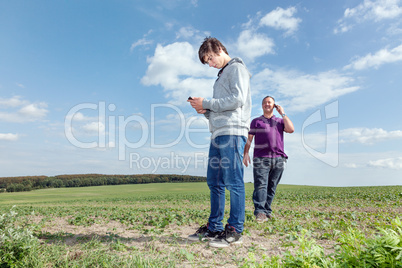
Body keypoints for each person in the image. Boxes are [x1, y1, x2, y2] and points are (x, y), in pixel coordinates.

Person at [187, 37, 251, 248]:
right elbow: (221, 108)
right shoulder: (221, 76)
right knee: (214, 182)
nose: (211, 64)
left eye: (211, 58)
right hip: (218, 133)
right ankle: (214, 226)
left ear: (220, 49)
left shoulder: (237, 68)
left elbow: (237, 99)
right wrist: (206, 111)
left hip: (232, 132)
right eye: (207, 62)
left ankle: (234, 229)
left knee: (233, 181)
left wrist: (207, 102)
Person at [243, 96, 294, 223]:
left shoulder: (280, 121)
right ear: (262, 106)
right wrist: (245, 153)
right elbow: (249, 139)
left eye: (270, 102)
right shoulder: (256, 121)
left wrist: (282, 113)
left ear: (274, 105)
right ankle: (260, 212)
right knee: (261, 185)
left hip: (278, 158)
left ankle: (267, 211)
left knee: (272, 187)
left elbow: (291, 129)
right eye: (265, 103)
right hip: (261, 158)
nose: (267, 104)